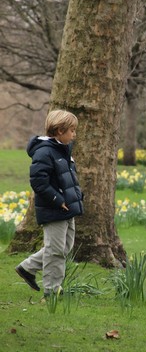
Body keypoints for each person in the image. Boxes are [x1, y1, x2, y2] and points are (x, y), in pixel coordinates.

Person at [15, 110, 84, 297]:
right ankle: (52, 290)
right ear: (60, 130)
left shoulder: (62, 149)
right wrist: (58, 200)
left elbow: (68, 178)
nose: (74, 135)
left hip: (68, 207)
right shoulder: (44, 152)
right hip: (54, 208)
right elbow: (38, 182)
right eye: (72, 131)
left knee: (65, 247)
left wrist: (77, 196)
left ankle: (27, 268)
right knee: (55, 250)